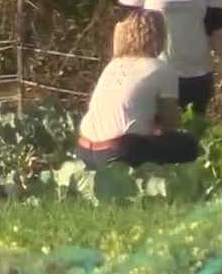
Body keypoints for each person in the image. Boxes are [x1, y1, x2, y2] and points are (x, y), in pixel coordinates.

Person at [75, 10, 200, 169]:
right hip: (120, 150)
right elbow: (169, 124)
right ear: (160, 36)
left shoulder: (113, 65)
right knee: (188, 145)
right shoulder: (160, 68)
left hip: (84, 149)